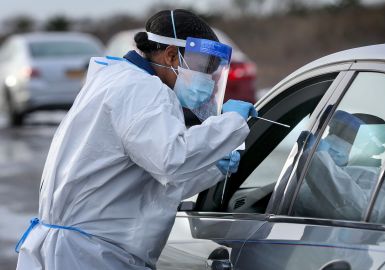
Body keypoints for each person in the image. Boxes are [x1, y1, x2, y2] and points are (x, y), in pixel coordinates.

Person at [16, 9, 257, 270]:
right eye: (202, 69)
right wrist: (230, 122)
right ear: (172, 55)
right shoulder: (143, 90)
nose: (208, 81)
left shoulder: (120, 79)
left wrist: (211, 168)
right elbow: (171, 159)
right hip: (91, 255)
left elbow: (144, 180)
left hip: (81, 248)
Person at [293, 110, 385, 224]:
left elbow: (358, 215)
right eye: (333, 131)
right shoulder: (322, 169)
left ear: (371, 148)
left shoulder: (384, 185)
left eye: (348, 137)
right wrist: (300, 163)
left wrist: (316, 159)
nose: (334, 138)